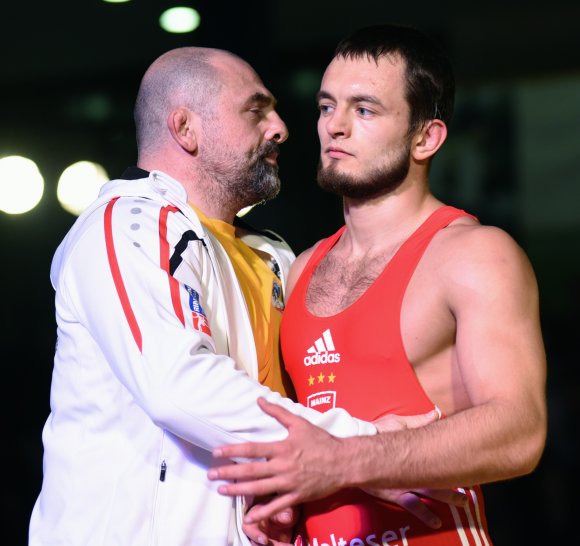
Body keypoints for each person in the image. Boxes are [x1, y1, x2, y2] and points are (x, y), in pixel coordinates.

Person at [29, 46, 390, 546]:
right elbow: (179, 385)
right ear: (185, 129)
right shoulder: (125, 225)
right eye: (256, 110)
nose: (281, 127)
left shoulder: (274, 257)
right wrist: (372, 449)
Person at [208, 25, 548, 545]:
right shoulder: (299, 269)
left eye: (364, 110)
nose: (335, 127)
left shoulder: (472, 254)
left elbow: (520, 431)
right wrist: (280, 502)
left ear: (425, 137)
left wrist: (345, 460)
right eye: (326, 107)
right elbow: (297, 439)